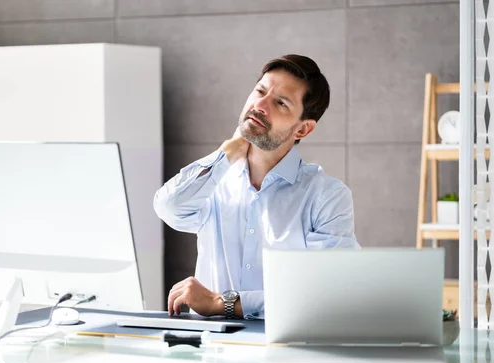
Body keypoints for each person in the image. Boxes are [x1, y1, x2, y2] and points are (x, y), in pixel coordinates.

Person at [153, 54, 360, 320]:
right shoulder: (214, 182)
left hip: (286, 347)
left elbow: (328, 291)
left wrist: (221, 303)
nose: (260, 105)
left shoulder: (326, 197)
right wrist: (228, 151)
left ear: (303, 129)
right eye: (260, 91)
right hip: (212, 350)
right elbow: (169, 207)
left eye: (280, 103)